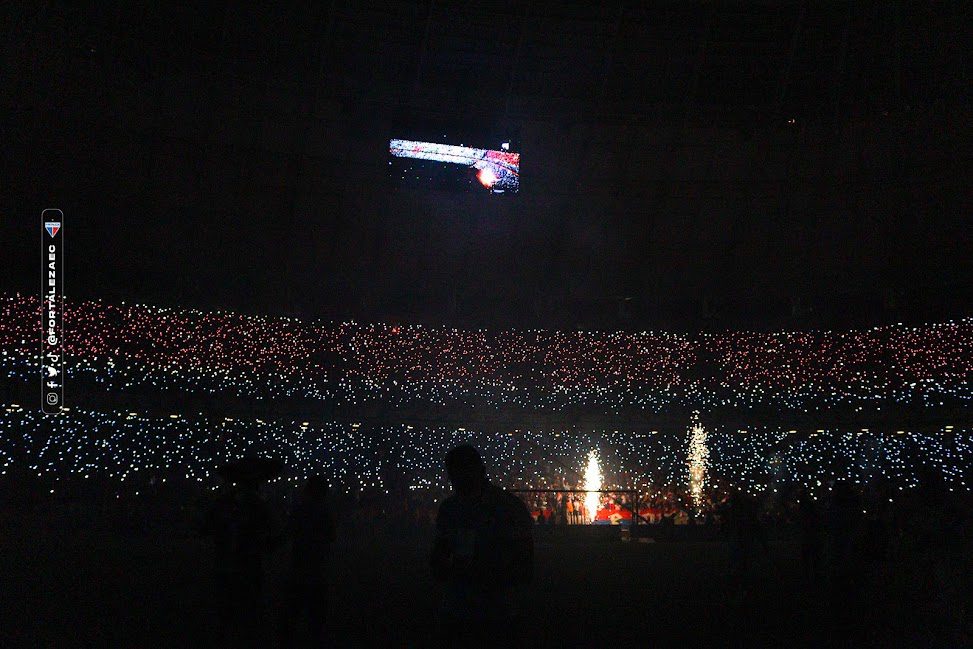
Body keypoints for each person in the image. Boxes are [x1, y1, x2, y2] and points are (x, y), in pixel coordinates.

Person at [430, 445, 534, 647]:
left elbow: (525, 564)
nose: (457, 481)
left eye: (461, 474)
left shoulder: (454, 508)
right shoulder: (508, 506)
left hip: (487, 609)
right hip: (480, 609)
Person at [278, 475, 336, 648]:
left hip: (301, 563)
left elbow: (288, 532)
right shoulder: (324, 511)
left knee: (294, 608)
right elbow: (331, 535)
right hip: (315, 564)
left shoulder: (301, 510)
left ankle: (288, 639)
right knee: (315, 611)